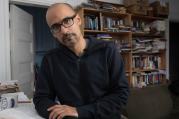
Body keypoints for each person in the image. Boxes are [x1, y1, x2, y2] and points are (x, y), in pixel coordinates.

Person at [33, 3, 129, 119]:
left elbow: (121, 94)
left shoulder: (108, 50)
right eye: (56, 27)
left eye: (67, 21)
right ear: (53, 33)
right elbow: (41, 98)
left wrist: (79, 111)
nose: (64, 30)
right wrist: (62, 114)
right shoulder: (50, 60)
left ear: (78, 20)